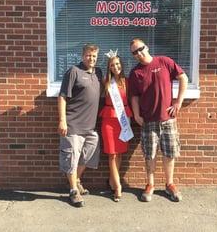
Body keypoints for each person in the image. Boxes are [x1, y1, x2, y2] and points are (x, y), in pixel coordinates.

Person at [128, 38, 188, 202]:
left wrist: (178, 102)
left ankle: (169, 184)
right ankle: (150, 184)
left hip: (168, 119)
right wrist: (136, 115)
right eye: (134, 52)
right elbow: (134, 97)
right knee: (150, 154)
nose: (138, 53)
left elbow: (183, 78)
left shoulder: (164, 62)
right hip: (148, 121)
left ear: (146, 47)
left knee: (169, 153)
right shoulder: (135, 73)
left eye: (140, 49)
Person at [58, 43, 102, 208]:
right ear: (83, 56)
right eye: (89, 56)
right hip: (73, 124)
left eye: (94, 56)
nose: (91, 59)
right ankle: (73, 191)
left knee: (88, 155)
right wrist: (62, 120)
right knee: (71, 158)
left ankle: (76, 180)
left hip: (90, 127)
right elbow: (62, 97)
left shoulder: (98, 72)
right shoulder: (73, 72)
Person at [100, 51, 133, 202]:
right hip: (109, 119)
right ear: (109, 67)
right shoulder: (105, 81)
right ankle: (118, 186)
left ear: (122, 65)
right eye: (112, 65)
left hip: (123, 118)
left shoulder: (127, 81)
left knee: (119, 153)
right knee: (112, 154)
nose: (115, 67)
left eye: (117, 64)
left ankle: (113, 180)